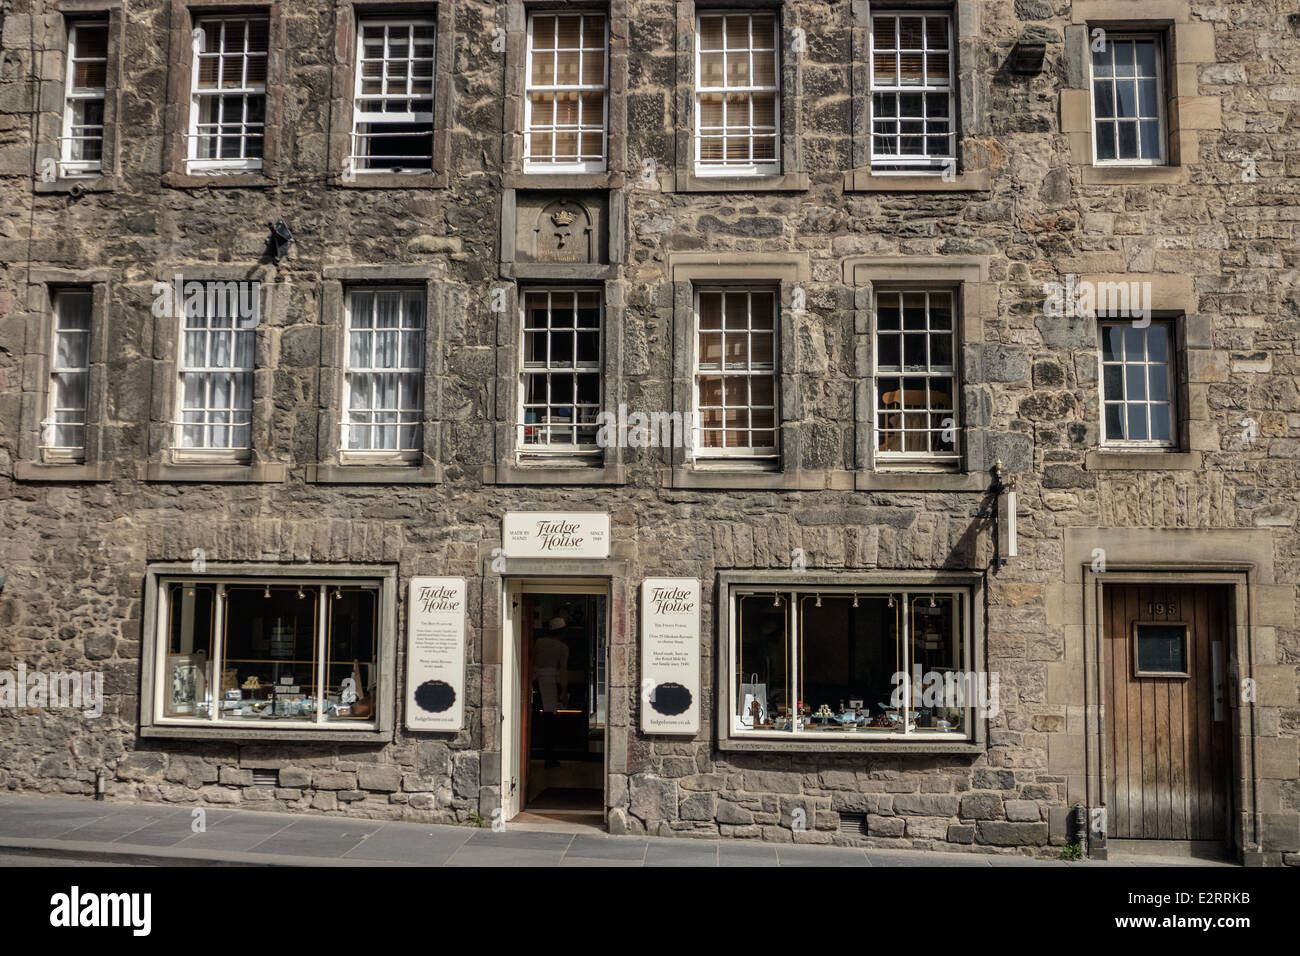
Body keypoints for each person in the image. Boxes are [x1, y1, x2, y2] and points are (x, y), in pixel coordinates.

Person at [532, 617, 570, 768]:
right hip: (550, 684)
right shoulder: (562, 648)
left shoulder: (539, 642)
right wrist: (564, 691)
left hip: (534, 680)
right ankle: (549, 757)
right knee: (550, 722)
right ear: (562, 632)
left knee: (540, 719)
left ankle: (542, 753)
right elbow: (563, 671)